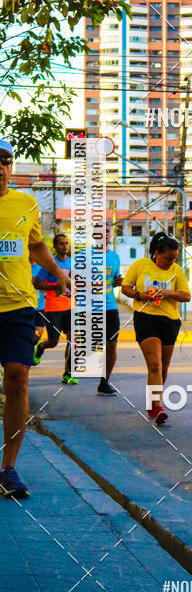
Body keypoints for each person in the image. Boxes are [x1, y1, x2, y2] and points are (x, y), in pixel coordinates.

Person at [0, 140, 71, 497]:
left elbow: (35, 245)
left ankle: (8, 469)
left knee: (17, 379)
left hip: (18, 306)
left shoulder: (26, 203)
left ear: (11, 167)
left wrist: (58, 272)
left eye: (5, 161)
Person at [121, 232, 190, 425]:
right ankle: (157, 407)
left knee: (163, 368)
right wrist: (140, 295)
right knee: (155, 365)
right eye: (168, 258)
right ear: (157, 253)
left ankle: (153, 402)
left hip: (170, 321)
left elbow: (186, 296)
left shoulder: (176, 270)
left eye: (175, 258)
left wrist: (167, 292)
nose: (171, 262)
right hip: (145, 318)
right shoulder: (140, 265)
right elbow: (125, 287)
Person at [33, 232, 77, 384]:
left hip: (70, 306)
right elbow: (37, 284)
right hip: (53, 307)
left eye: (66, 243)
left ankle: (68, 373)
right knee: (53, 342)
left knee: (73, 340)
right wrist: (57, 286)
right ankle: (41, 346)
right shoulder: (50, 264)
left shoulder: (73, 262)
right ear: (54, 246)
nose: (65, 246)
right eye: (61, 243)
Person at [97, 225, 122, 396]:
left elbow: (114, 280)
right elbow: (71, 278)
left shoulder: (114, 257)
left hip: (110, 306)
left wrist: (118, 282)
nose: (104, 234)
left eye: (107, 231)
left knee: (112, 345)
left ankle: (104, 382)